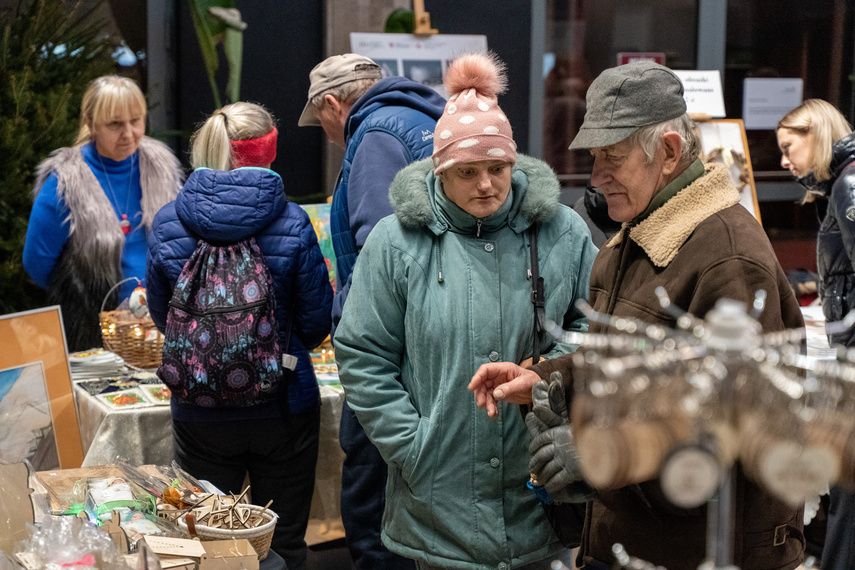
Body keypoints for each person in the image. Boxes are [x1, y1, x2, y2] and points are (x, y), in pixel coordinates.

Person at [470, 61, 807, 570]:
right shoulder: (633, 239)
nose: (597, 178)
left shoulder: (727, 256)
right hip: (635, 539)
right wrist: (545, 379)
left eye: (613, 159)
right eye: (594, 158)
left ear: (669, 153)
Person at [334, 52, 597, 569]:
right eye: (467, 171)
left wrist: (547, 378)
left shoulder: (562, 232)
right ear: (438, 169)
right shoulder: (397, 241)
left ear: (515, 163)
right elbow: (363, 352)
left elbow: (594, 329)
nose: (485, 185)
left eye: (498, 169)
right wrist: (414, 448)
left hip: (538, 492)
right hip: (439, 504)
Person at [145, 102, 333, 570]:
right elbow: (314, 324)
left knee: (208, 547)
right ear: (268, 154)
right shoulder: (291, 223)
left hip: (199, 410)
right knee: (284, 542)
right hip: (283, 407)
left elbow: (161, 317)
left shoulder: (169, 223)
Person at [298, 52, 445, 569]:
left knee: (371, 489)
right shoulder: (426, 117)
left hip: (393, 349)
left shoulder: (377, 135)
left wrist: (354, 339)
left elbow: (379, 255)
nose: (329, 135)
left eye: (322, 123)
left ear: (333, 104)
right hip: (433, 338)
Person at [23, 75, 183, 352]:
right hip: (95, 334)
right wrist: (83, 299)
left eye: (136, 121)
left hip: (161, 328)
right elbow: (37, 262)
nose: (129, 133)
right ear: (91, 123)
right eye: (115, 124)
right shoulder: (65, 183)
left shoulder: (162, 167)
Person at [777, 99, 854, 570]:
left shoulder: (848, 185)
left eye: (789, 147)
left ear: (816, 135)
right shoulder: (841, 183)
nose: (784, 161)